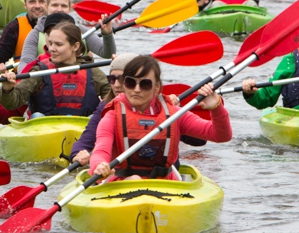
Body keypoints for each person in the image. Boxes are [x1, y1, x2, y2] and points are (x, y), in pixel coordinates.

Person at [90, 55, 231, 181]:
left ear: (157, 87)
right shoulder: (112, 116)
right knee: (134, 179)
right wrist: (99, 165)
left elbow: (221, 136)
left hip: (165, 186)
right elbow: (101, 150)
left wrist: (216, 107)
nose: (137, 89)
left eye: (145, 84)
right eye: (131, 83)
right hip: (124, 184)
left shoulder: (174, 114)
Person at [0, 22, 110, 117]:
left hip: (83, 130)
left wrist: (118, 75)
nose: (52, 49)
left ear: (75, 46)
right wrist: (7, 89)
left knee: (94, 118)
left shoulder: (93, 72)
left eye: (58, 44)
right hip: (45, 128)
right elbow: (12, 104)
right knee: (37, 116)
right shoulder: (39, 71)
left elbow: (113, 100)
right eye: (50, 43)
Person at [18, 0, 117, 70]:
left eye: (64, 6)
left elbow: (108, 54)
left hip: (80, 82)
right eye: (55, 5)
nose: (59, 9)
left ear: (69, 8)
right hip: (47, 82)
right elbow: (25, 63)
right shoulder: (35, 34)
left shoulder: (82, 31)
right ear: (46, 6)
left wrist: (107, 34)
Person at [0, 0, 49, 73]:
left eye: (42, 1)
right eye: (32, 2)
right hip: (22, 77)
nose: (37, 6)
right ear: (25, 5)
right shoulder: (14, 27)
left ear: (48, 4)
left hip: (52, 79)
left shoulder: (59, 26)